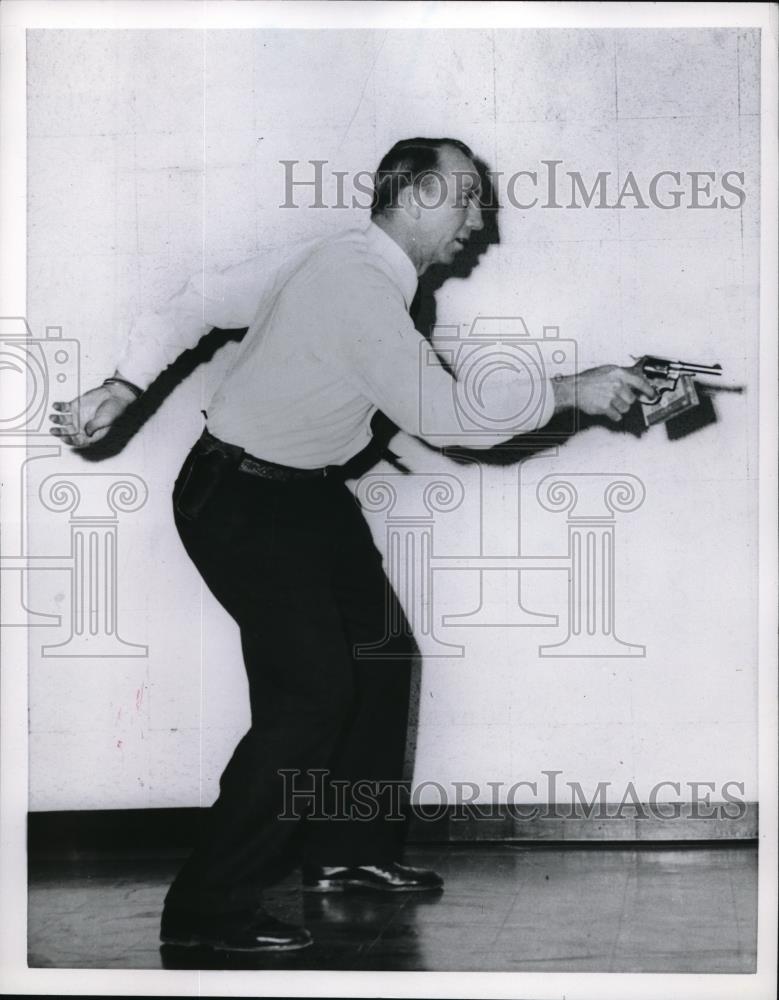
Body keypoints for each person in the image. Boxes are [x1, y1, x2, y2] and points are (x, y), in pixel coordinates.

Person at [50, 137, 655, 953]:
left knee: (381, 654)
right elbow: (445, 420)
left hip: (299, 494)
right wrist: (571, 390)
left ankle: (347, 854)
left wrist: (126, 383)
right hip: (239, 499)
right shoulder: (357, 283)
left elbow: (196, 297)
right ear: (415, 197)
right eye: (467, 198)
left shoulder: (346, 260)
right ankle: (206, 909)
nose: (480, 220)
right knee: (311, 698)